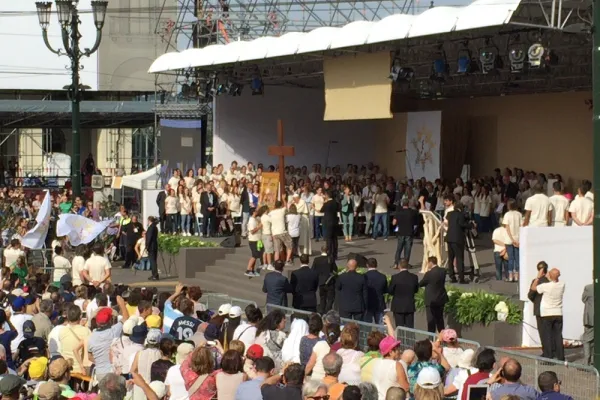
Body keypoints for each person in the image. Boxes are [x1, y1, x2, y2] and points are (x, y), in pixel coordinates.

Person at [532, 268, 565, 360]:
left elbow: (533, 288)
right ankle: (561, 357)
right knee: (558, 336)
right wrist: (550, 276)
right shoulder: (562, 285)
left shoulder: (546, 286)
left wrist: (538, 277)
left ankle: (548, 356)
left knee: (547, 335)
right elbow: (555, 280)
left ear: (549, 276)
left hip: (547, 313)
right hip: (558, 312)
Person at [444, 195, 472, 283]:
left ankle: (452, 277)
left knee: (451, 258)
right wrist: (471, 225)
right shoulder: (461, 215)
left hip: (449, 237)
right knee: (459, 258)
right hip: (457, 238)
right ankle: (461, 277)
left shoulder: (449, 214)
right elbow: (462, 224)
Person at [419, 256, 448, 333]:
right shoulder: (443, 271)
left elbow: (421, 283)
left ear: (430, 263)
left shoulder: (429, 273)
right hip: (441, 298)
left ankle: (431, 339)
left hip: (431, 300)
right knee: (440, 320)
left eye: (428, 263)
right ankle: (442, 338)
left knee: (431, 321)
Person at [389, 259, 419, 328]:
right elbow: (416, 290)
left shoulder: (395, 277)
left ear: (399, 266)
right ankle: (409, 339)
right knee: (410, 328)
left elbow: (390, 290)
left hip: (398, 306)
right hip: (409, 306)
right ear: (407, 266)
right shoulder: (414, 277)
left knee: (399, 328)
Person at [528, 261, 549, 357]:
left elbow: (530, 295)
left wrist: (536, 302)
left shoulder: (535, 282)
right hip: (549, 310)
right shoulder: (549, 281)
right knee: (551, 332)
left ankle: (546, 353)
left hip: (539, 310)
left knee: (543, 333)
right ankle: (553, 351)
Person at [392, 198, 419, 268]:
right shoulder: (412, 212)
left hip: (400, 232)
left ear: (402, 204)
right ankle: (405, 264)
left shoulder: (398, 212)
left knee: (399, 249)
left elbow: (394, 223)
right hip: (409, 232)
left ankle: (396, 263)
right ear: (408, 204)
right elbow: (416, 223)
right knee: (407, 250)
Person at [312, 246, 336, 314]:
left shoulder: (316, 259)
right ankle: (328, 311)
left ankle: (322, 311)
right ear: (327, 251)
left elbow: (313, 270)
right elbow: (335, 270)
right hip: (329, 281)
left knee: (322, 298)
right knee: (330, 298)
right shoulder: (330, 259)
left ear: (321, 250)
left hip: (321, 282)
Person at [364, 258, 388, 324]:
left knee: (367, 326)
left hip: (368, 304)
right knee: (380, 325)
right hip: (379, 304)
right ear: (376, 265)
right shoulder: (382, 276)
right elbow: (385, 290)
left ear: (367, 265)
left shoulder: (364, 276)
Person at [321, 190, 340, 262]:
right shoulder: (336, 203)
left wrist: (324, 201)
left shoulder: (326, 203)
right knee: (335, 239)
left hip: (328, 222)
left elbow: (321, 210)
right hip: (335, 222)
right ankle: (335, 254)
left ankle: (329, 254)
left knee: (329, 239)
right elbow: (339, 209)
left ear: (327, 195)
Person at [582, 283, 594, 365]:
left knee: (586, 339)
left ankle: (587, 362)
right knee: (594, 340)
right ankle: (593, 360)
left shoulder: (588, 287)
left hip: (591, 318)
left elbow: (583, 299)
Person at [146, 216, 159, 281]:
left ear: (149, 221)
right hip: (154, 245)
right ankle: (154, 274)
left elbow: (149, 237)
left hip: (151, 246)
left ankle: (155, 275)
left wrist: (147, 245)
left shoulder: (151, 227)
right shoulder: (155, 227)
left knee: (152, 261)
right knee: (154, 260)